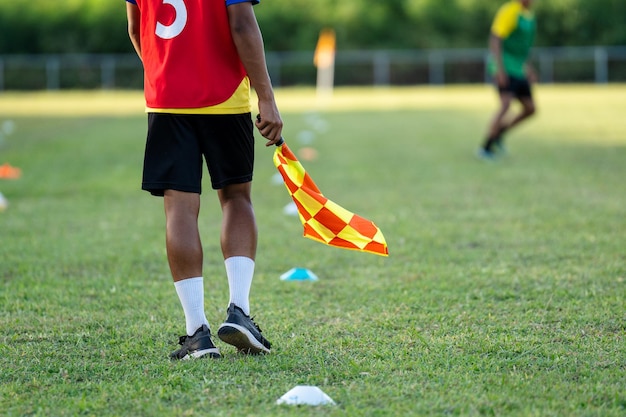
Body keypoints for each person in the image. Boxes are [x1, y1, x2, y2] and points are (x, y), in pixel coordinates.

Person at [125, 0, 283, 359]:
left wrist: (164, 74)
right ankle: (238, 310)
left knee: (178, 209)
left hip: (166, 101)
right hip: (224, 97)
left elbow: (136, 29)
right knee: (236, 198)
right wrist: (267, 97)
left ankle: (196, 334)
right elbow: (241, 24)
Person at [479, 0, 537, 159]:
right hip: (505, 66)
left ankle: (499, 133)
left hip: (519, 69)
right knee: (505, 105)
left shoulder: (528, 16)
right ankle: (486, 148)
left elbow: (525, 46)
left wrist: (528, 67)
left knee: (530, 108)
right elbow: (495, 38)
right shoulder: (510, 11)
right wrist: (499, 69)